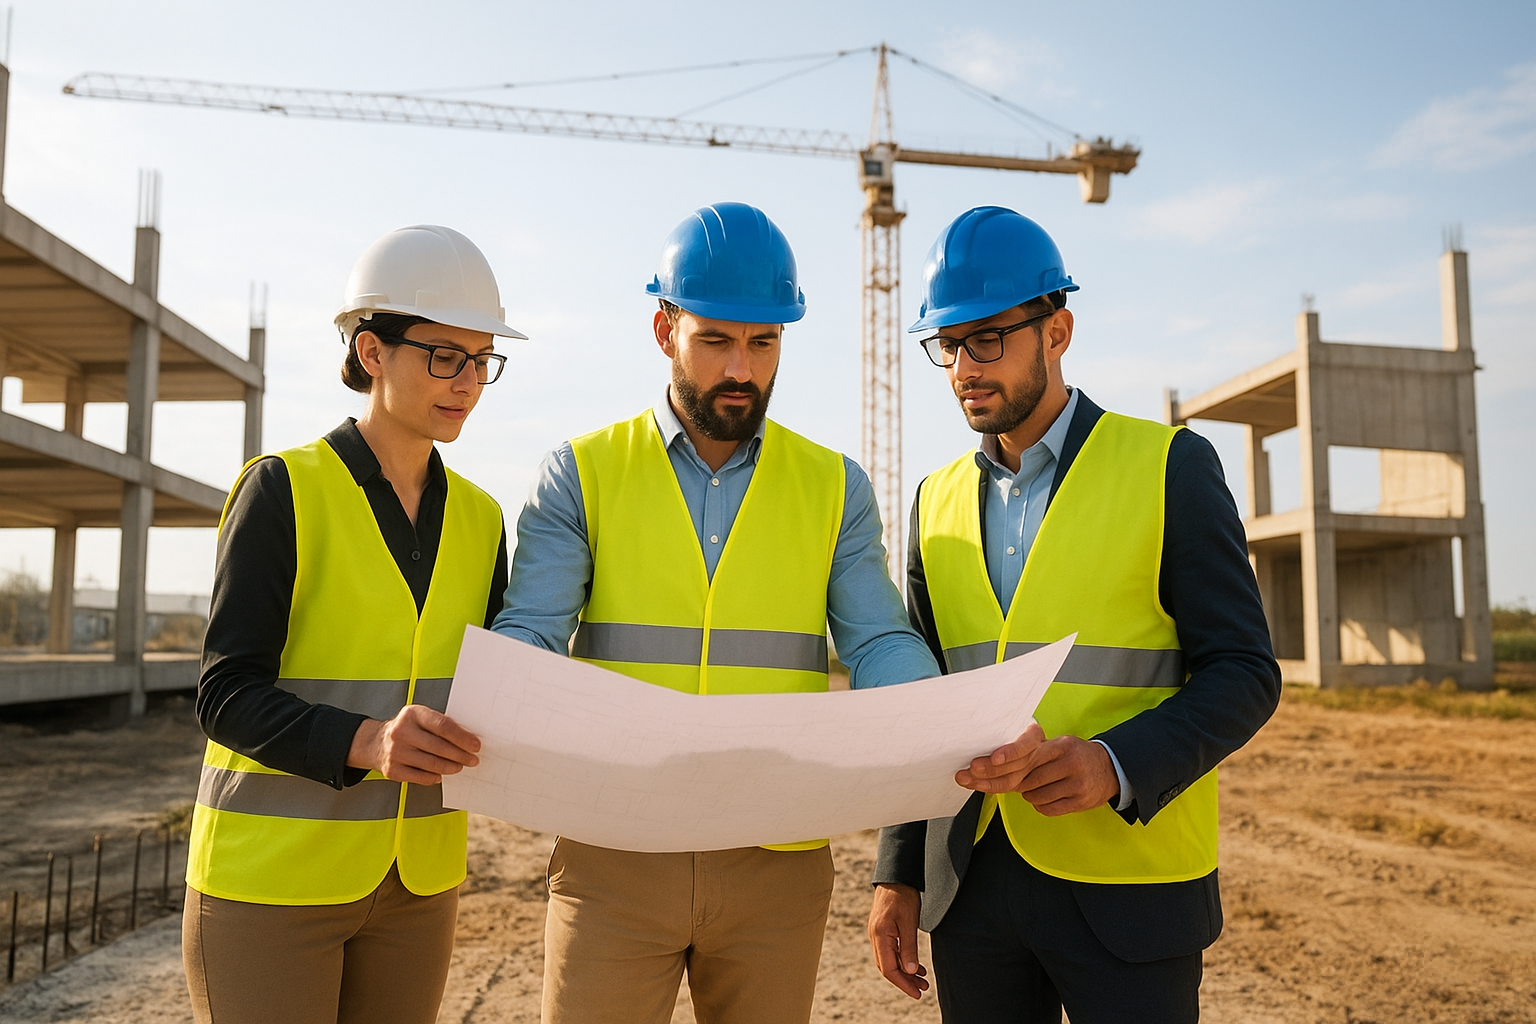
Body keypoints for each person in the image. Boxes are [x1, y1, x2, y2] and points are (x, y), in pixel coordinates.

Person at [493, 201, 940, 1024]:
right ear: (665, 329)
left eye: (764, 343)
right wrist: (493, 696)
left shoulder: (834, 485)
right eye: (717, 341)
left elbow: (878, 639)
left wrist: (940, 717)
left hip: (775, 861)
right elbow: (530, 632)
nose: (742, 368)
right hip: (613, 849)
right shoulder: (581, 473)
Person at [866, 206, 1281, 1023]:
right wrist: (898, 872)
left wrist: (1113, 763)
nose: (962, 368)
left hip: (1131, 889)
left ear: (1057, 330)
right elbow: (920, 699)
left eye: (986, 339)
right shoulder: (933, 500)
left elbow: (1244, 672)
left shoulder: (1169, 466)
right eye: (945, 344)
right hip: (973, 890)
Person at [184, 225, 523, 1024]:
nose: (467, 382)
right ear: (372, 352)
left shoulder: (481, 518)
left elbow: (504, 687)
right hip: (270, 881)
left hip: (417, 885)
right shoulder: (282, 491)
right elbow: (224, 694)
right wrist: (368, 742)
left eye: (482, 361)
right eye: (446, 357)